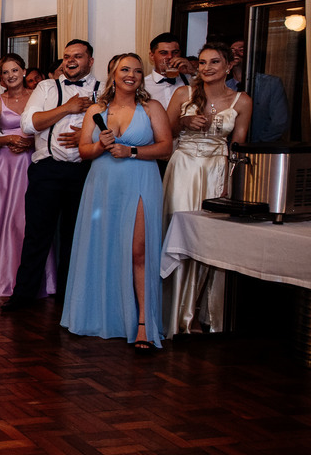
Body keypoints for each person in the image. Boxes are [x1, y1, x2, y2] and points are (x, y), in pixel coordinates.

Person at [60, 53, 172, 349]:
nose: (131, 75)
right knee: (102, 247)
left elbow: (166, 147)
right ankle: (101, 316)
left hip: (140, 181)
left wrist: (131, 151)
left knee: (139, 251)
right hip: (102, 184)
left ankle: (143, 323)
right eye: (125, 69)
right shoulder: (97, 109)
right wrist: (100, 145)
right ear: (114, 74)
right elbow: (83, 151)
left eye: (137, 71)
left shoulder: (151, 107)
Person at [3, 39, 102, 313]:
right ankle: (23, 295)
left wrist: (87, 135)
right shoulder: (46, 87)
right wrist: (67, 108)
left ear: (90, 61)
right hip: (47, 170)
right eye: (67, 56)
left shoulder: (103, 89)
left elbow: (114, 127)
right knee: (36, 235)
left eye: (78, 56)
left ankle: (69, 299)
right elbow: (28, 124)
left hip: (84, 171)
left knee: (76, 236)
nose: (71, 60)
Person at [163, 43, 253, 336]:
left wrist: (230, 181)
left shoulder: (241, 100)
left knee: (208, 239)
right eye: (202, 62)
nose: (207, 67)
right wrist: (183, 121)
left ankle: (196, 312)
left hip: (217, 170)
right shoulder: (183, 93)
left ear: (228, 66)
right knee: (178, 234)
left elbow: (238, 146)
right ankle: (170, 313)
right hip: (184, 168)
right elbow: (164, 133)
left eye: (215, 62)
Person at [0, 55, 54, 298]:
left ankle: (35, 279)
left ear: (23, 71)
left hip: (32, 161)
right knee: (6, 219)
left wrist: (29, 142)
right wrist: (10, 138)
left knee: (30, 218)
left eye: (15, 70)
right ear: (0, 76)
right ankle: (2, 274)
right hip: (6, 167)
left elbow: (48, 128)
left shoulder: (38, 98)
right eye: (5, 72)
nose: (10, 75)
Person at [227, 38, 287, 141]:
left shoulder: (271, 83)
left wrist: (257, 143)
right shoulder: (225, 86)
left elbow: (279, 122)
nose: (235, 53)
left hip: (262, 146)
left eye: (241, 50)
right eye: (232, 50)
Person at [142, 32, 192, 110]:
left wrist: (193, 71)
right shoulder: (143, 85)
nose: (170, 56)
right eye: (164, 53)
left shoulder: (190, 80)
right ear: (152, 56)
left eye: (175, 52)